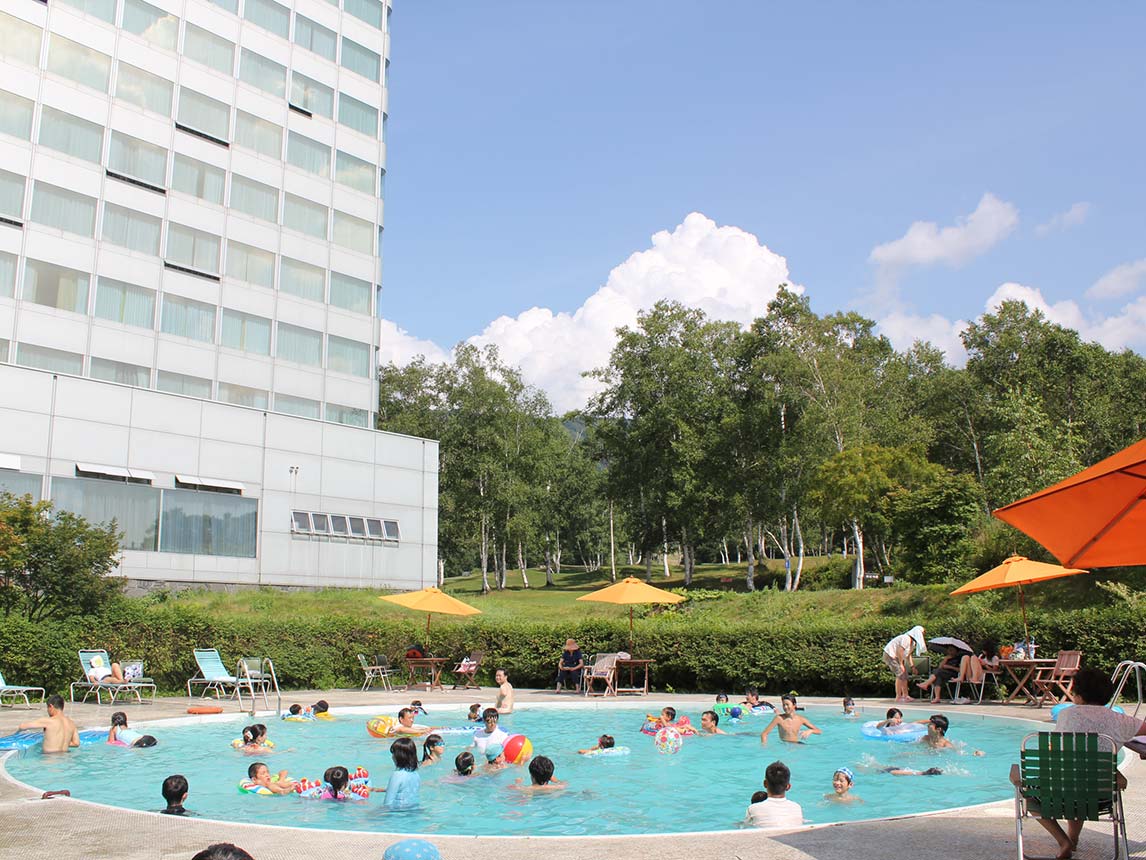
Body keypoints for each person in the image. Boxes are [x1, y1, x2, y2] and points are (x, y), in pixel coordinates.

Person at [1016, 668, 1146, 860]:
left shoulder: (1065, 715)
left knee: (1027, 791)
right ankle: (1073, 838)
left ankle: (1064, 841)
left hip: (1054, 795)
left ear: (1078, 694)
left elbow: (1068, 755)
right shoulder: (1120, 720)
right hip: (1099, 799)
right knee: (1082, 787)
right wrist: (1114, 771)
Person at [744, 761, 803, 829]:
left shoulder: (752, 809)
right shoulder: (797, 808)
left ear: (765, 783)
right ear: (788, 786)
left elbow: (744, 827)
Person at [884, 625, 927, 703]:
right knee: (900, 674)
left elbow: (908, 655)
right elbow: (899, 650)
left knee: (905, 675)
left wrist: (912, 666)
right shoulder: (905, 638)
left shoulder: (913, 643)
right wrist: (901, 664)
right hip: (890, 655)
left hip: (896, 657)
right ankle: (898, 697)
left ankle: (905, 696)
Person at [383, 737, 421, 809]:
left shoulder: (397, 775)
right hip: (414, 809)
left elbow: (387, 803)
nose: (392, 757)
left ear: (399, 756)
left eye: (393, 754)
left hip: (398, 811)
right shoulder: (416, 774)